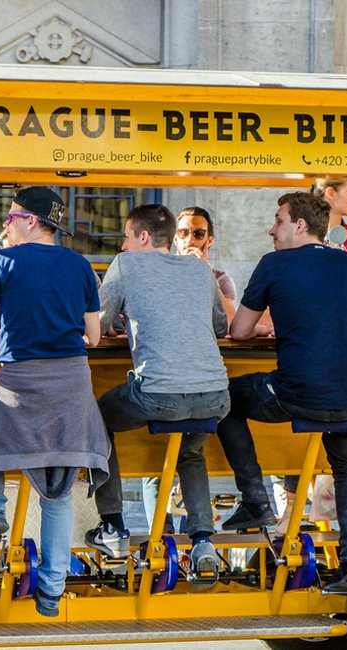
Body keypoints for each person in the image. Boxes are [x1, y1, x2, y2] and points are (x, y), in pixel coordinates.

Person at [216, 191, 347, 595]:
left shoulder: (274, 264)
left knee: (224, 398)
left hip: (297, 393)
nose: (272, 229)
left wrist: (277, 325)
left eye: (278, 220)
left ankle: (255, 499)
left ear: (299, 225)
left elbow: (238, 331)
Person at [0, 186, 111, 617]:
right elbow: (95, 336)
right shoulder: (80, 264)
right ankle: (51, 590)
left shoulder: (2, 262)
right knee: (59, 495)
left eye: (9, 218)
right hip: (71, 387)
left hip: (19, 383)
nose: (4, 226)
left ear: (30, 220)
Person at [87, 204, 230, 582]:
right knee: (190, 449)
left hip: (159, 393)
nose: (124, 244)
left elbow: (96, 327)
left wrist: (122, 322)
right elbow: (219, 325)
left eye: (127, 238)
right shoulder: (201, 269)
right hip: (215, 394)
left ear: (144, 237)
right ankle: (202, 541)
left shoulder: (125, 265)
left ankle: (113, 525)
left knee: (96, 418)